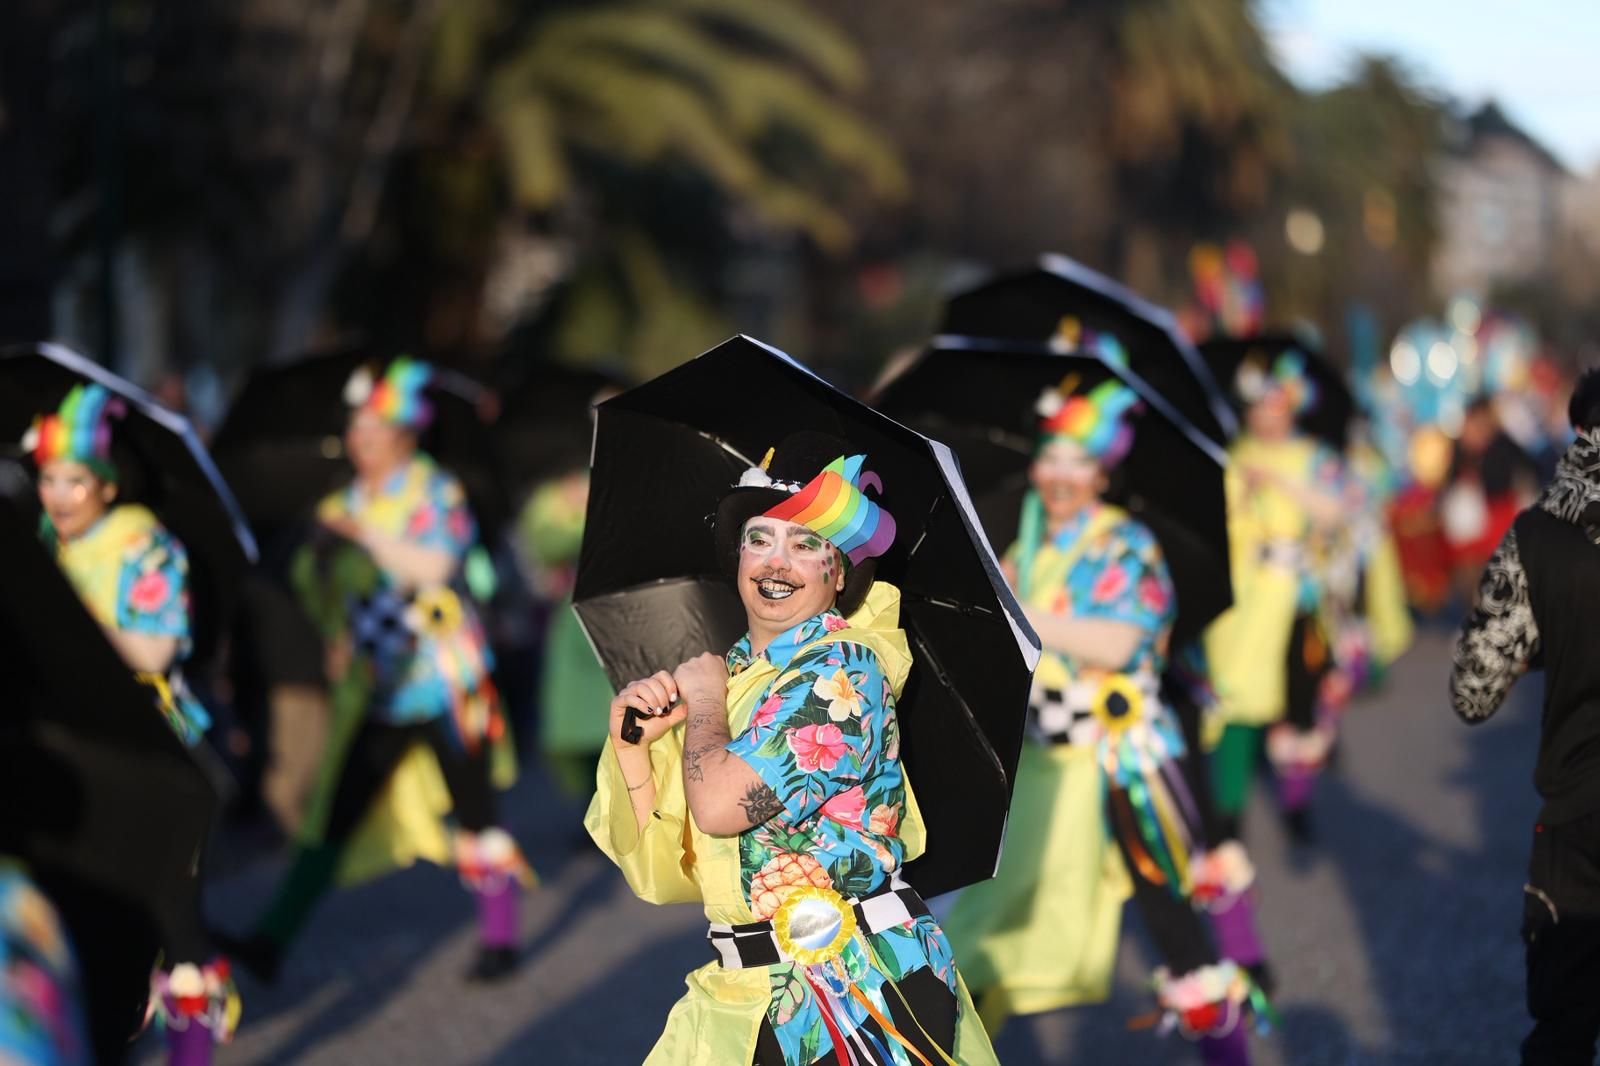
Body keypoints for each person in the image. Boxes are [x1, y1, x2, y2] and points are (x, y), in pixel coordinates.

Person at [586, 433, 998, 1066]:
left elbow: (722, 807)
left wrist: (702, 706)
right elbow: (672, 872)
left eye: (807, 545)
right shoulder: (738, 675)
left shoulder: (843, 672)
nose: (775, 563)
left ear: (839, 573)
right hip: (750, 991)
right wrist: (635, 748)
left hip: (852, 996)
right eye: (760, 538)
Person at [938, 375, 1259, 1064]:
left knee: (1172, 920)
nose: (1059, 475)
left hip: (1124, 761)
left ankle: (1229, 1056)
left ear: (1104, 470)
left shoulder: (1128, 544)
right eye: (1050, 457)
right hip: (1046, 763)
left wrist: (1026, 613)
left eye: (1077, 461)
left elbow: (1121, 640)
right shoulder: (1024, 545)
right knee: (988, 925)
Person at [221, 357, 530, 984]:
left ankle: (500, 937)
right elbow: (318, 586)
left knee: (477, 815)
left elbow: (438, 567)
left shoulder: (435, 491)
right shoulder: (338, 503)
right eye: (355, 431)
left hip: (448, 684)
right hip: (380, 688)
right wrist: (328, 596)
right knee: (331, 815)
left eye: (373, 430)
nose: (360, 442)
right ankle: (270, 942)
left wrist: (361, 535)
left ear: (405, 434)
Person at [25, 383, 239, 1064]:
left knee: (175, 923)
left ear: (107, 486)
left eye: (75, 480)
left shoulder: (144, 544)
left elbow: (157, 647)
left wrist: (68, 628)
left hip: (156, 751)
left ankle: (193, 1055)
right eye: (49, 479)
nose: (59, 495)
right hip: (74, 751)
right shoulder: (38, 547)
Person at [1451, 369, 1600, 1066]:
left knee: (1564, 1033)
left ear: (1577, 432)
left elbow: (1473, 692)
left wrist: (1544, 636)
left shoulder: (1537, 537)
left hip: (1577, 819)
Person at [1203, 351, 1345, 843]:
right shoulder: (1230, 455)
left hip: (1299, 601)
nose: (1267, 413)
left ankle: (1297, 803)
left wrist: (1283, 482)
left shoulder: (1315, 458)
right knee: (1236, 704)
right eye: (1258, 404)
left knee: (1298, 706)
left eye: (1276, 403)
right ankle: (1227, 817)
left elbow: (1334, 514)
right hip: (1243, 602)